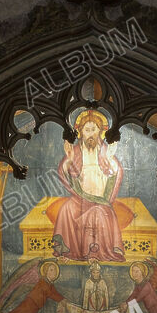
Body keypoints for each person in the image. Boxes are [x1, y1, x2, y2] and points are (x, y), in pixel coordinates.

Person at [51, 110, 125, 262]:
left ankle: (94, 253)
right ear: (81, 133)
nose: (90, 134)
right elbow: (64, 173)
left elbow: (116, 173)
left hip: (100, 200)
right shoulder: (76, 151)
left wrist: (111, 159)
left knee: (96, 213)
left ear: (100, 132)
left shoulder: (105, 152)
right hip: (80, 199)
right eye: (87, 130)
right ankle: (69, 252)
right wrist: (69, 160)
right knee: (66, 209)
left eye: (94, 130)